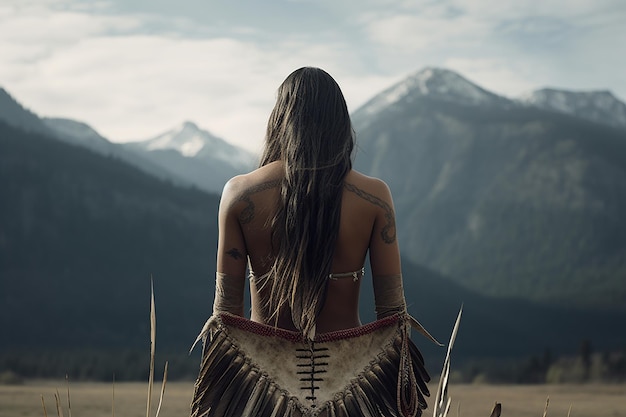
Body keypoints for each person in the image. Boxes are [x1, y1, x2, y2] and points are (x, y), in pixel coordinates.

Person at [190, 67, 433, 417]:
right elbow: (393, 317)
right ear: (340, 124)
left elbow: (225, 317)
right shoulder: (374, 198)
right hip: (354, 388)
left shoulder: (240, 195)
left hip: (261, 392)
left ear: (280, 119)